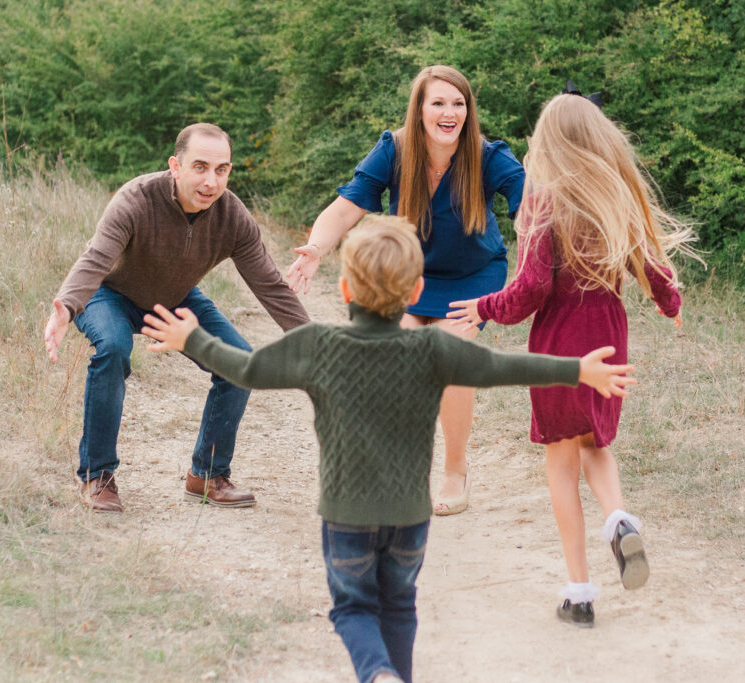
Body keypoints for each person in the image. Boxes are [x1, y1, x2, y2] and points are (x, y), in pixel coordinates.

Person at [142, 216, 634, 681]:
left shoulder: (318, 345)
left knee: (353, 608)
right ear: (418, 291)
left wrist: (193, 338)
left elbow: (244, 370)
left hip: (346, 516)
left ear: (345, 290)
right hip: (409, 520)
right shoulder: (433, 349)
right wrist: (576, 370)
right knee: (399, 606)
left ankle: (376, 672)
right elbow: (501, 368)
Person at [449, 87, 696, 627]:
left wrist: (485, 307)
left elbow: (531, 290)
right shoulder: (617, 198)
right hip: (609, 339)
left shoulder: (544, 200)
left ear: (549, 142)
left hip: (560, 345)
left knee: (561, 460)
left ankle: (580, 592)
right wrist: (670, 303)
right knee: (596, 445)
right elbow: (652, 269)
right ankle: (619, 519)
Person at [285, 65, 526, 516]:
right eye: (438, 102)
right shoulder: (394, 150)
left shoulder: (488, 156)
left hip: (474, 275)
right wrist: (316, 248)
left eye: (458, 103)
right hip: (412, 272)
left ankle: (455, 469)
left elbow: (531, 208)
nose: (449, 112)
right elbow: (345, 208)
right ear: (419, 110)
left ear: (468, 111)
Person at [43, 122, 309, 513]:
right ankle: (97, 476)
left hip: (174, 300)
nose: (211, 181)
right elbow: (96, 258)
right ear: (175, 166)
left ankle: (207, 475)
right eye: (200, 167)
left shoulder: (232, 216)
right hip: (108, 293)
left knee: (238, 362)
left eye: (222, 170)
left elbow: (269, 285)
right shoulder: (136, 199)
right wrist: (66, 307)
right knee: (114, 348)